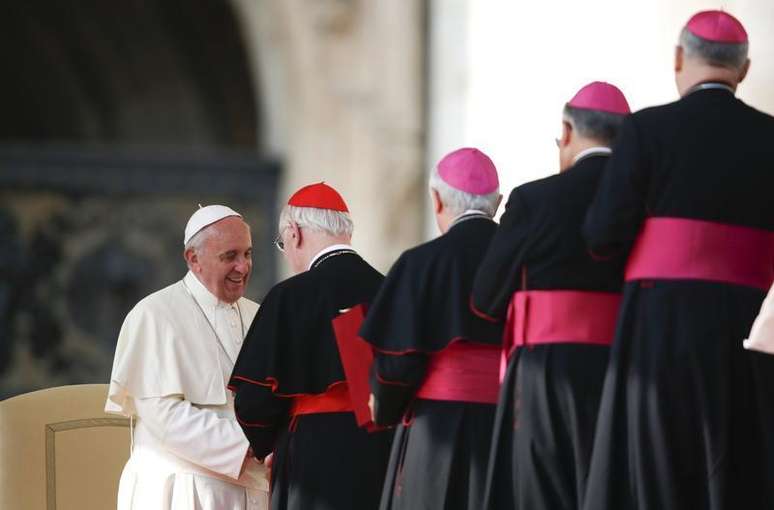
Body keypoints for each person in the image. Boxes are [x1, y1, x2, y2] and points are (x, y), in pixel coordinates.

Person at [581, 10, 774, 509]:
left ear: (678, 59)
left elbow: (602, 236)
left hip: (659, 319)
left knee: (659, 459)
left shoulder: (647, 129)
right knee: (737, 459)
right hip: (748, 322)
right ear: (745, 69)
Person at [469, 82, 630, 510]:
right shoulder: (646, 198)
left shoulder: (534, 199)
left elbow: (486, 299)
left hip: (547, 372)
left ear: (567, 131)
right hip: (628, 369)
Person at [228, 182, 393, 510]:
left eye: (281, 243)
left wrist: (268, 441)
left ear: (294, 233)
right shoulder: (390, 289)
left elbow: (255, 402)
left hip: (313, 455)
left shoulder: (289, 296)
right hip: (382, 453)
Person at [359, 148, 503, 510]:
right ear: (497, 203)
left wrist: (385, 411)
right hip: (507, 430)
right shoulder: (523, 257)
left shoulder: (419, 263)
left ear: (436, 200)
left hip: (436, 432)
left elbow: (396, 368)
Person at [106, 205, 268, 510]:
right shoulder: (154, 315)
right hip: (182, 490)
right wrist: (248, 445)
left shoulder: (260, 315)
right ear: (193, 259)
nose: (243, 267)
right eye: (229, 256)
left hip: (252, 489)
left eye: (247, 254)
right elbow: (162, 413)